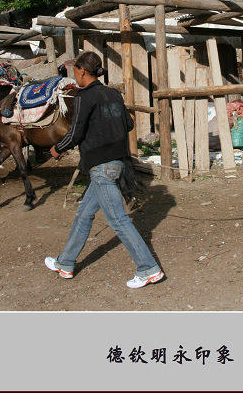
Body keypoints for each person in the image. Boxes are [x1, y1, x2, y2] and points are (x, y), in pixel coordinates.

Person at [44, 51, 164, 289]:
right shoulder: (113, 94)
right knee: (84, 214)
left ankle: (149, 269)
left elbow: (76, 132)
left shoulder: (83, 96)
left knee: (118, 220)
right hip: (118, 164)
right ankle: (66, 263)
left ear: (82, 71)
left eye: (75, 70)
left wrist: (58, 148)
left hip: (101, 168)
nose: (75, 75)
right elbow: (128, 124)